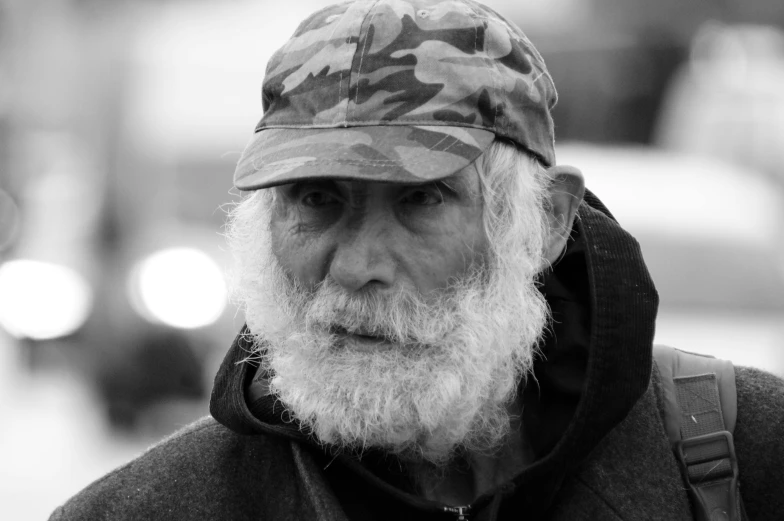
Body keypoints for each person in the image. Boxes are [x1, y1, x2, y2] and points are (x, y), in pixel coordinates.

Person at [50, 1, 784, 519]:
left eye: (421, 200)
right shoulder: (139, 510)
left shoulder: (749, 449)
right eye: (317, 198)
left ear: (546, 223)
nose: (358, 265)